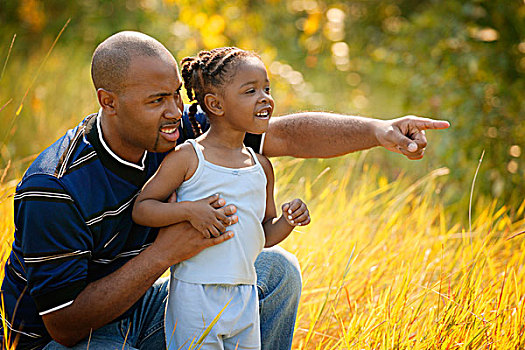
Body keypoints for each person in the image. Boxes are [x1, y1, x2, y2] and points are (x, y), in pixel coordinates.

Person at [0, 31, 449, 350]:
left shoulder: (177, 135)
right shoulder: (54, 188)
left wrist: (377, 130)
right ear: (108, 102)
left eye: (177, 94)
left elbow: (288, 136)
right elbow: (63, 324)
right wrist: (162, 254)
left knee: (276, 270)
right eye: (157, 100)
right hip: (71, 339)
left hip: (141, 303)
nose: (176, 111)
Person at [131, 47, 311, 349]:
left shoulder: (261, 166)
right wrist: (189, 211)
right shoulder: (188, 157)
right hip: (195, 295)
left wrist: (287, 221)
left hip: (244, 293)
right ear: (215, 104)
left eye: (266, 88)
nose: (265, 98)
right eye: (250, 91)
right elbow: (142, 209)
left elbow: (263, 235)